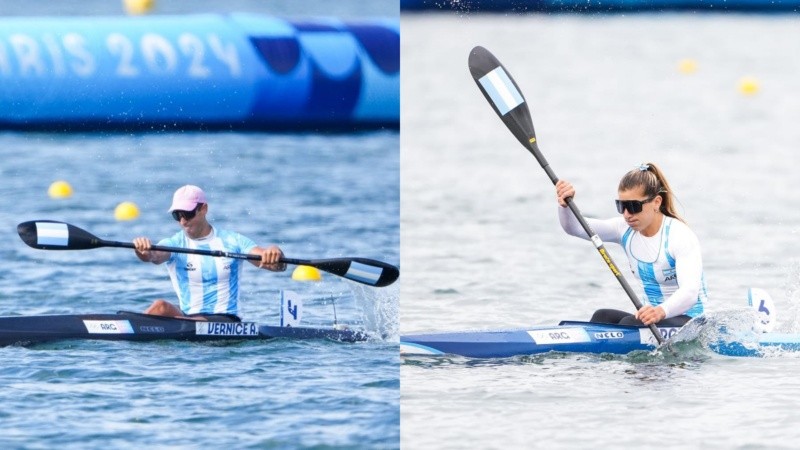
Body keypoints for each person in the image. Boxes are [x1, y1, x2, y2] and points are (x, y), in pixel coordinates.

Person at [555, 163, 708, 327]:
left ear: (657, 202)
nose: (627, 214)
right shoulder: (624, 229)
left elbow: (690, 293)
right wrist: (565, 205)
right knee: (602, 316)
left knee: (629, 323)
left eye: (634, 206)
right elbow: (576, 228)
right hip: (651, 319)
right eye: (622, 206)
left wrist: (660, 311)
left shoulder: (679, 236)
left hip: (691, 321)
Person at [133, 185, 286, 322]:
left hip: (226, 319)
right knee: (160, 306)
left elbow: (274, 264)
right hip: (188, 318)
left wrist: (274, 253)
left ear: (204, 209)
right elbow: (153, 256)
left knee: (185, 321)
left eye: (187, 214)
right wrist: (143, 251)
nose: (183, 221)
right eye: (177, 215)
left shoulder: (233, 241)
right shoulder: (174, 243)